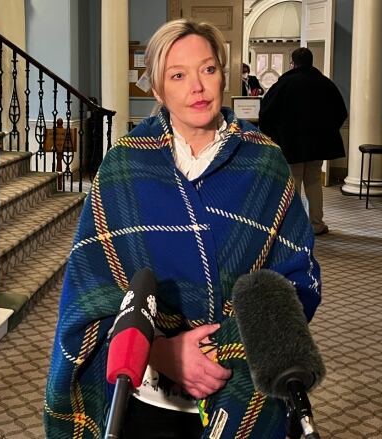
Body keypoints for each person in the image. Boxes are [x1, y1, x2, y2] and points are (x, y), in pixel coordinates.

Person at [44, 19, 321, 439]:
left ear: (223, 75)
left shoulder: (266, 163)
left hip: (240, 384)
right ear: (158, 90)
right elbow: (91, 292)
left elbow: (296, 279)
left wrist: (219, 348)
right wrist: (162, 353)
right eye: (178, 75)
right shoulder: (124, 165)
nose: (198, 86)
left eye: (208, 70)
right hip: (147, 396)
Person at [259, 47, 348, 236]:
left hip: (290, 144)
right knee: (314, 182)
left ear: (293, 63)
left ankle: (293, 226)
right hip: (318, 145)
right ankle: (316, 224)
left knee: (293, 184)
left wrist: (276, 135)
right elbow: (341, 112)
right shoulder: (325, 83)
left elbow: (266, 114)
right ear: (311, 62)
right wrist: (326, 131)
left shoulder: (284, 84)